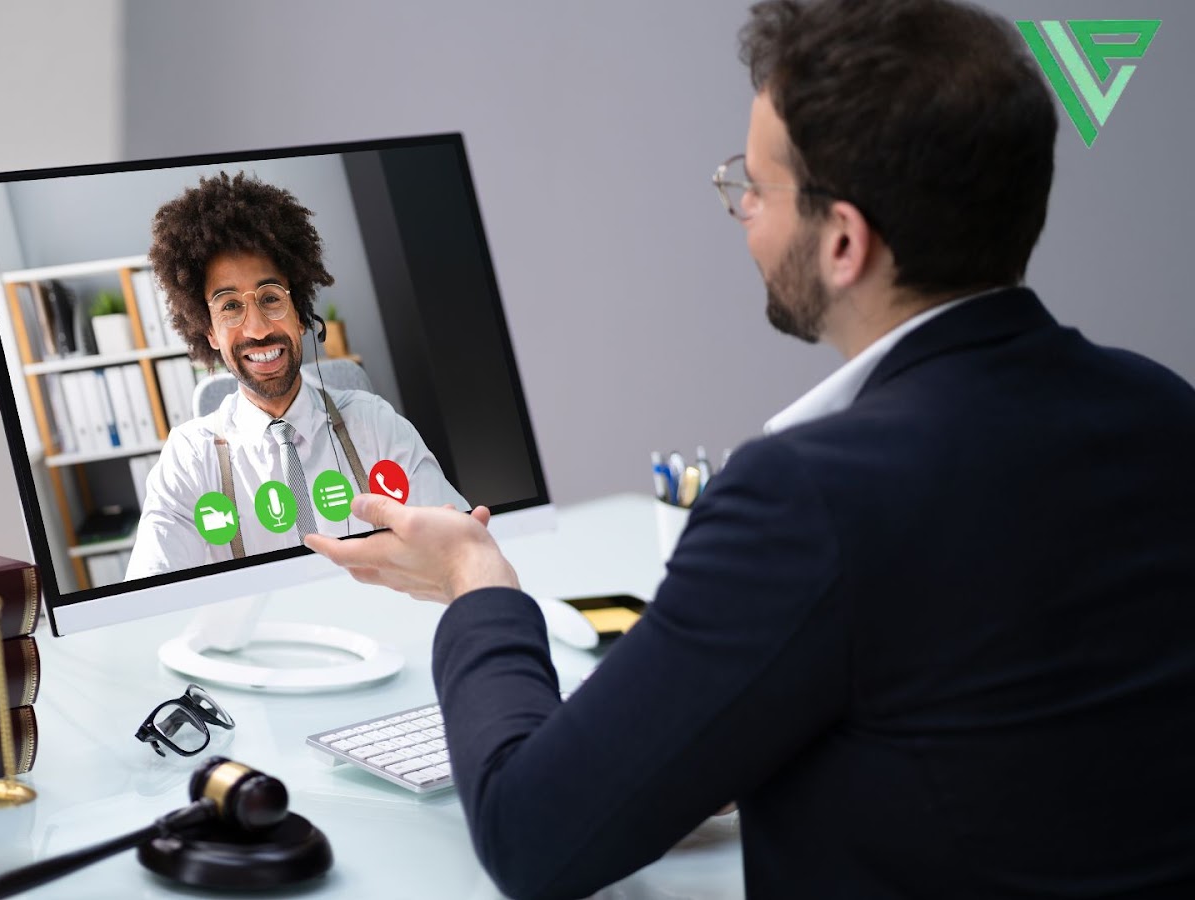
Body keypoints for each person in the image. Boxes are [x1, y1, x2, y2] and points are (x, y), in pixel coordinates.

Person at [306, 1, 1195, 897]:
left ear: (844, 241)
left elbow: (531, 834)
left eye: (754, 188)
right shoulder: (1162, 409)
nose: (742, 214)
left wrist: (476, 584)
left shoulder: (812, 497)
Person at [126, 172, 465, 578]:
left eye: (271, 298)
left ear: (301, 314)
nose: (257, 329)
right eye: (230, 306)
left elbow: (453, 547)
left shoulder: (374, 424)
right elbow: (151, 591)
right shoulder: (189, 459)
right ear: (210, 332)